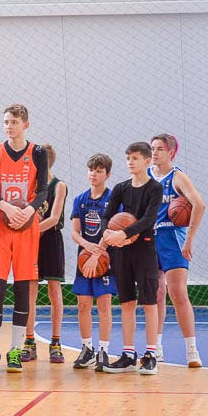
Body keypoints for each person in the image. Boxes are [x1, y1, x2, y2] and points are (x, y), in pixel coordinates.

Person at [84, 142, 162, 375]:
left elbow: (149, 219)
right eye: (128, 158)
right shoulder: (120, 187)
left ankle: (150, 354)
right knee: (127, 302)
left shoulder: (154, 189)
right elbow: (107, 216)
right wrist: (110, 233)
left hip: (145, 249)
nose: (130, 162)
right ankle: (128, 354)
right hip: (121, 250)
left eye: (136, 158)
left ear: (147, 161)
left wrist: (124, 233)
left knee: (149, 303)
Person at [0, 104, 48, 374]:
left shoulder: (38, 153)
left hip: (26, 225)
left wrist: (28, 211)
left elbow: (42, 190)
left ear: (26, 125)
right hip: (0, 222)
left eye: (14, 122)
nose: (9, 126)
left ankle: (16, 351)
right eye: (6, 121)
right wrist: (8, 208)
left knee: (22, 289)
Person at [148, 134, 204, 367]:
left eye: (160, 149)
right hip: (149, 239)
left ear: (171, 152)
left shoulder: (177, 177)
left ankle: (192, 350)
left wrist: (189, 240)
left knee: (178, 293)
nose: (155, 153)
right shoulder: (146, 177)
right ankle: (156, 348)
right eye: (152, 149)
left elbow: (199, 205)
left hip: (172, 238)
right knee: (156, 294)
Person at [70, 154, 116, 371]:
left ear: (107, 174)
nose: (93, 174)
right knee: (83, 305)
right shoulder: (80, 199)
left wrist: (98, 252)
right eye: (91, 170)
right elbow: (74, 232)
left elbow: (112, 230)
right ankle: (87, 348)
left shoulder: (114, 199)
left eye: (98, 171)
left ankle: (104, 350)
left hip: (105, 259)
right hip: (85, 258)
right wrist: (87, 247)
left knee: (104, 305)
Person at [22, 144, 67, 364]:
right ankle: (29, 342)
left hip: (50, 240)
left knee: (54, 289)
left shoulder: (59, 186)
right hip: (30, 242)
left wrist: (28, 231)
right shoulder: (30, 186)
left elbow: (54, 218)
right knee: (30, 289)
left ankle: (56, 342)